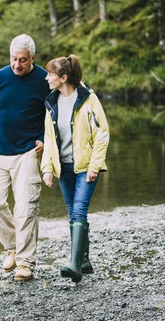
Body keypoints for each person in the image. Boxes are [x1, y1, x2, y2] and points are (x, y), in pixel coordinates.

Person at [0, 34, 51, 282]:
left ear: (32, 58)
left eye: (23, 60)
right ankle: (13, 246)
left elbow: (53, 114)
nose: (17, 65)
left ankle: (25, 263)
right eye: (13, 59)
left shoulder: (43, 79)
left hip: (28, 151)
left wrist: (45, 139)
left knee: (26, 208)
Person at [40, 54, 110, 283]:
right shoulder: (51, 103)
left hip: (85, 167)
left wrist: (95, 164)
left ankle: (74, 266)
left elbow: (102, 134)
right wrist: (47, 168)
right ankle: (85, 261)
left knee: (79, 210)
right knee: (73, 213)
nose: (47, 78)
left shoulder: (88, 99)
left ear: (63, 77)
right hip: (64, 168)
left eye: (50, 74)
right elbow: (49, 140)